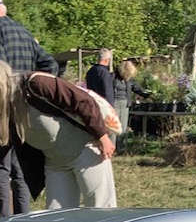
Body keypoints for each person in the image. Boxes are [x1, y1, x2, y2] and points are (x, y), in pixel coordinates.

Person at [0, 60, 117, 210]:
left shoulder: (37, 83)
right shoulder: (5, 108)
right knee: (57, 217)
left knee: (100, 210)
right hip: (55, 162)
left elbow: (83, 100)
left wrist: (102, 136)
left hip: (87, 150)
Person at [0, 0, 59, 217]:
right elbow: (50, 64)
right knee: (20, 170)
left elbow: (2, 67)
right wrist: (33, 88)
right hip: (25, 110)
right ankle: (23, 217)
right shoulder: (23, 31)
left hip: (3, 108)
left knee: (2, 169)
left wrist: (10, 87)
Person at [112, 60, 149, 153]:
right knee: (113, 126)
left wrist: (145, 94)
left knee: (123, 127)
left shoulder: (130, 80)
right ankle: (112, 149)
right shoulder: (112, 77)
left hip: (125, 104)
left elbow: (136, 88)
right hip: (114, 103)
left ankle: (121, 149)